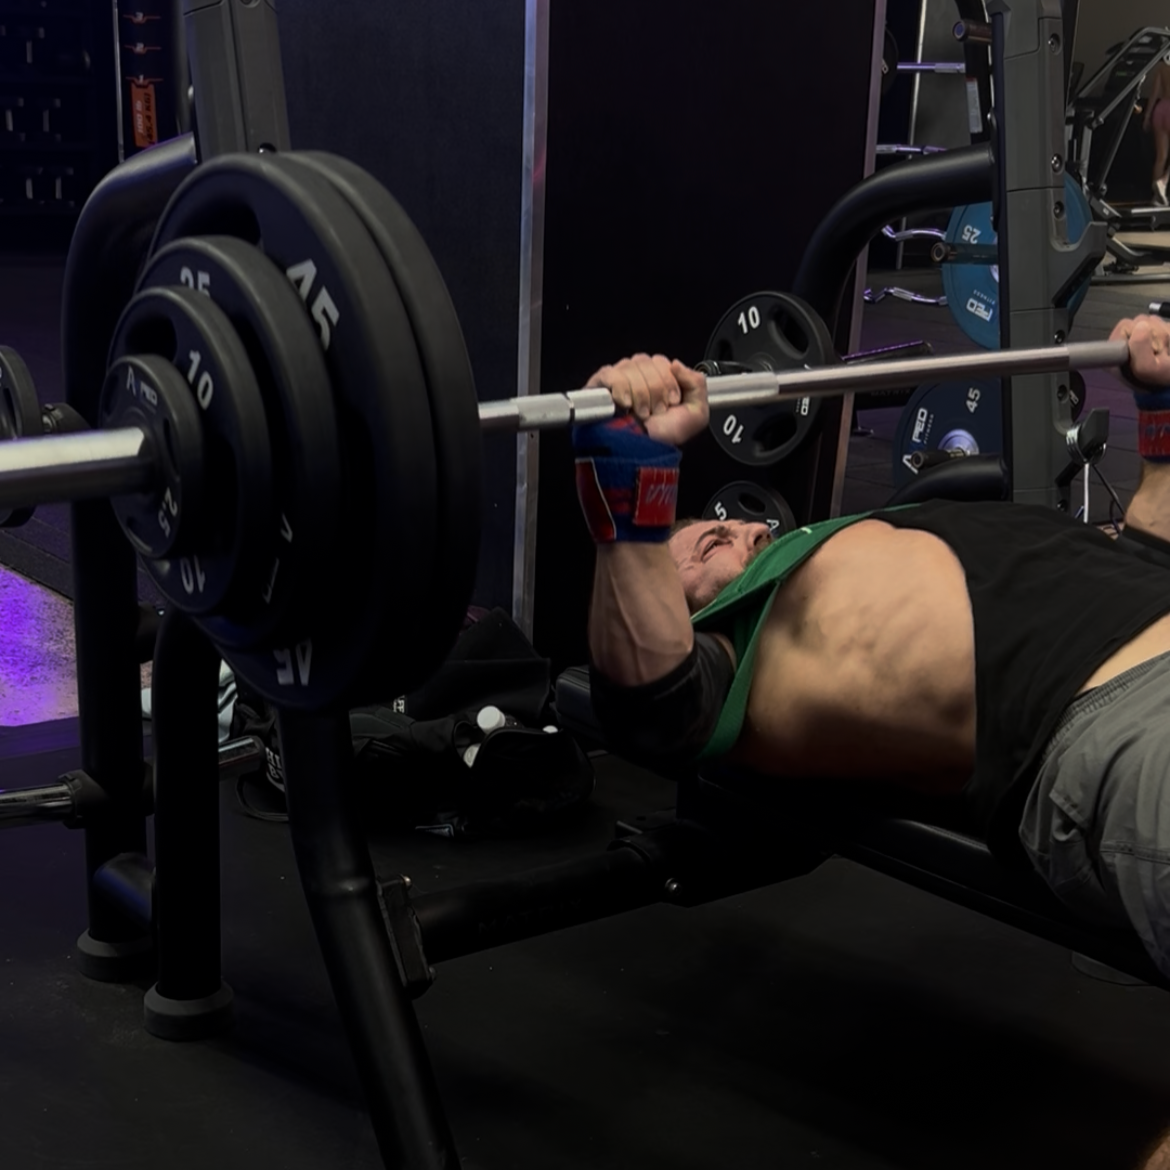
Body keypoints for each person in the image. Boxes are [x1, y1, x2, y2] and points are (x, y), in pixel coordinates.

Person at [573, 313, 1170, 984]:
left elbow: (1151, 547)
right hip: (1110, 720)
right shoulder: (744, 650)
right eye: (700, 540)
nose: (732, 525)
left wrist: (1158, 403)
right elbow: (650, 706)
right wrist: (632, 472)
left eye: (734, 524)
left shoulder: (866, 535)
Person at [1145, 57, 1170, 205]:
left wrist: (1147, 115)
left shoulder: (1162, 66)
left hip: (1160, 109)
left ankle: (1156, 197)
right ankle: (1163, 182)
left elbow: (1154, 92)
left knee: (1161, 157)